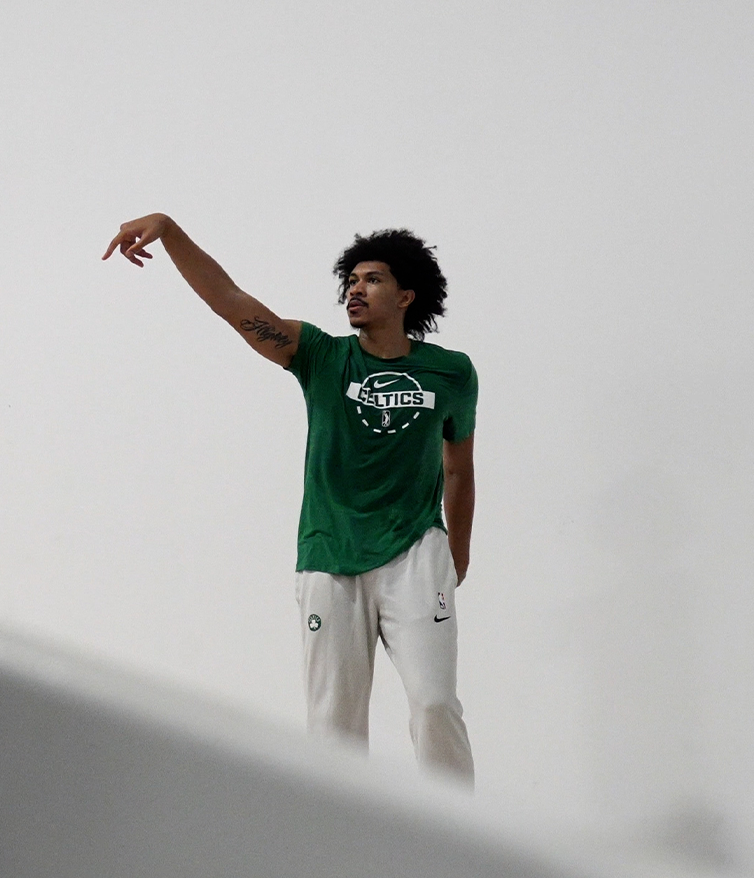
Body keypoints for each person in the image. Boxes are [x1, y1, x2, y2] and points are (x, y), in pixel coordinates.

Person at [102, 214, 476, 783]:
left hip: (416, 554)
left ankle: (456, 831)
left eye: (372, 279)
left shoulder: (450, 373)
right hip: (329, 555)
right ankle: (334, 836)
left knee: (434, 703)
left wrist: (458, 554)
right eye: (350, 280)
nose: (355, 289)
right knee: (333, 726)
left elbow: (458, 468)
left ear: (406, 296)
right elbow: (230, 301)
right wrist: (170, 231)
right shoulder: (320, 355)